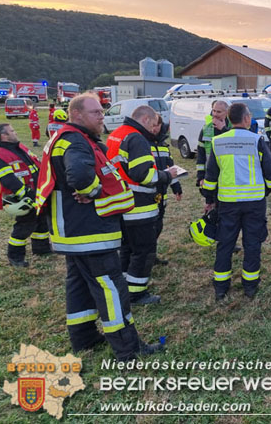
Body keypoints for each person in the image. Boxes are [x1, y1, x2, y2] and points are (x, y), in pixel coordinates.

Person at [35, 93, 162, 361]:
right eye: (96, 113)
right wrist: (94, 191)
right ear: (77, 115)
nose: (102, 116)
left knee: (79, 285)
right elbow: (80, 176)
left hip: (71, 233)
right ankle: (128, 348)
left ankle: (84, 337)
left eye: (102, 112)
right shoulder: (76, 142)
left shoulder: (67, 139)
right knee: (112, 287)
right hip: (88, 232)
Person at [202, 103, 271, 300]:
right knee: (252, 243)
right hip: (254, 202)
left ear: (228, 119)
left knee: (225, 244)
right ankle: (250, 286)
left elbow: (210, 177)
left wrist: (209, 199)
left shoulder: (218, 142)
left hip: (227, 202)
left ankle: (221, 287)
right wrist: (265, 190)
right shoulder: (256, 140)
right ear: (246, 119)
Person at [107, 106, 177, 305]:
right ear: (145, 119)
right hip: (139, 205)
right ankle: (137, 293)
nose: (155, 129)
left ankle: (123, 285)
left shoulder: (117, 135)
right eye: (154, 124)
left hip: (121, 202)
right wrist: (167, 175)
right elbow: (144, 175)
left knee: (128, 247)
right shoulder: (136, 138)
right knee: (144, 250)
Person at [0, 123, 51, 267]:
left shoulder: (20, 148)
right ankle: (15, 257)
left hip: (36, 192)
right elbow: (9, 180)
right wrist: (26, 194)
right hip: (23, 198)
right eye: (12, 131)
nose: (15, 133)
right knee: (24, 226)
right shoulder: (0, 156)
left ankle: (41, 249)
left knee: (42, 222)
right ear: (4, 136)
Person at [150, 116, 183, 265]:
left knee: (158, 225)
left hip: (161, 193)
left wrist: (176, 187)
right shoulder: (142, 144)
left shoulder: (164, 146)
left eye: (157, 125)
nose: (154, 128)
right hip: (148, 193)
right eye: (152, 125)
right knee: (148, 227)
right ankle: (143, 257)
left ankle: (152, 255)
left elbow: (171, 169)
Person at [196, 100, 230, 187]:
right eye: (214, 110)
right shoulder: (206, 129)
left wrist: (223, 129)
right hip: (210, 174)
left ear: (226, 113)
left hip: (229, 175)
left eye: (219, 112)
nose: (215, 114)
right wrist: (200, 177)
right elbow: (201, 154)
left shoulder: (232, 127)